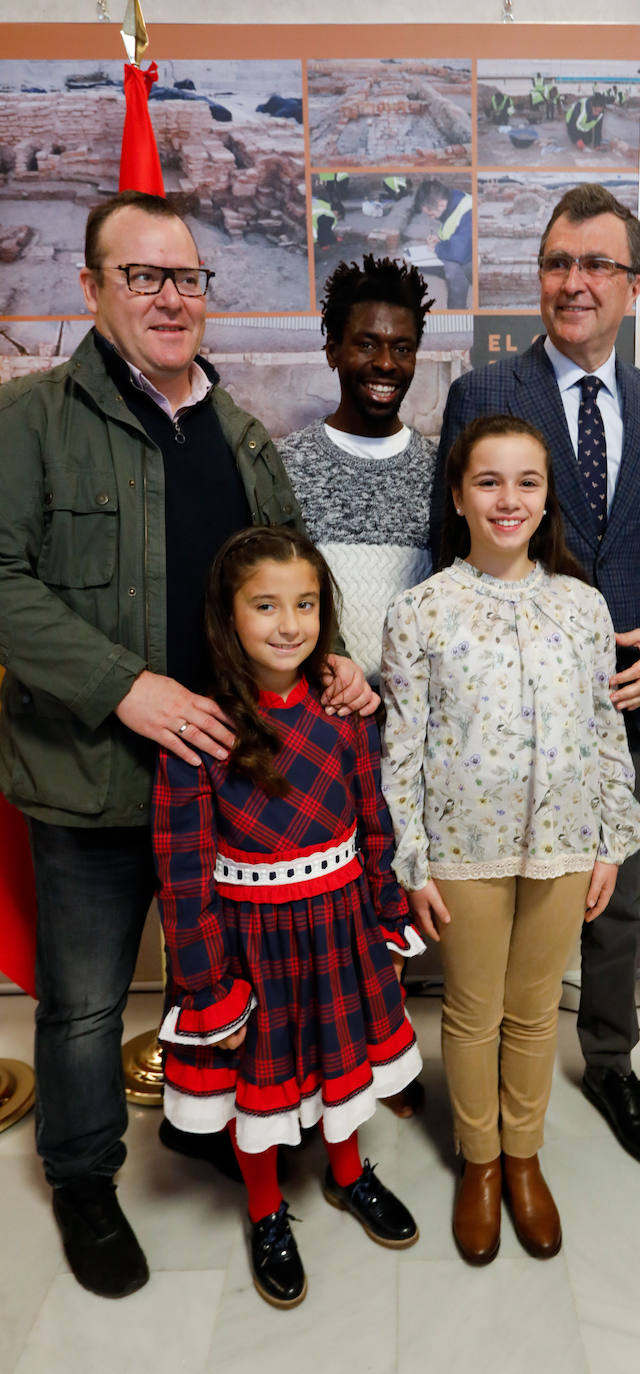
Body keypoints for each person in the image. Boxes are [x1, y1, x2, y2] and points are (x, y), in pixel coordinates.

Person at [0, 189, 375, 1300]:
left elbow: (286, 579)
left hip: (231, 792)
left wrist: (332, 659)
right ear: (90, 289)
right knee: (81, 1004)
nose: (171, 298)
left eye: (187, 278)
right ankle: (81, 1177)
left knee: (220, 985)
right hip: (90, 778)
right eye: (142, 277)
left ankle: (210, 1127)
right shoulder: (29, 422)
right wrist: (127, 688)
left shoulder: (243, 433)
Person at [436, 183, 640, 1174]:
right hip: (507, 723)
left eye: (595, 264)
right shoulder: (481, 396)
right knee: (509, 911)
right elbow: (448, 548)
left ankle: (612, 1065)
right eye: (556, 263)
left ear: (633, 284)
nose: (573, 282)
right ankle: (496, 1097)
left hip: (633, 706)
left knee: (615, 904)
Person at [381, 415, 640, 1265]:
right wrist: (412, 855)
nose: (507, 498)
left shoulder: (583, 605)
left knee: (534, 1013)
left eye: (526, 482)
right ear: (459, 496)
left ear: (546, 498)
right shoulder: (421, 611)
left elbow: (607, 731)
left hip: (566, 845)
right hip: (464, 851)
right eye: (487, 481)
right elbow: (404, 746)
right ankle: (480, 1161)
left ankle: (524, 1155)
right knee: (472, 1011)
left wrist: (609, 841)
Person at [153, 525, 423, 1308]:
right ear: (227, 617)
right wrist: (210, 991)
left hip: (339, 928)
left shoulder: (344, 714)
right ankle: (267, 1208)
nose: (288, 624)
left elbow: (376, 825)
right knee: (259, 1085)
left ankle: (347, 1175)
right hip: (253, 943)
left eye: (305, 604)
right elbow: (182, 879)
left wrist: (385, 917)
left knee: (344, 1061)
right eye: (265, 605)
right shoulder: (199, 736)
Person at [278, 255, 436, 691]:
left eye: (402, 348)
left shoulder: (441, 474)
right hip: (316, 723)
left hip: (417, 728)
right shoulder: (283, 465)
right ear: (333, 350)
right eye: (367, 344)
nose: (386, 363)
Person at [414, 179, 472, 309]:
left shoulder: (468, 209)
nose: (432, 218)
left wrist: (437, 247)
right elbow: (452, 233)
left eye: (431, 214)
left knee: (452, 269)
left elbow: (459, 252)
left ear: (440, 204)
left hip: (474, 259)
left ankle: (458, 309)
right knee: (419, 265)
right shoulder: (452, 202)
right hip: (465, 251)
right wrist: (438, 239)